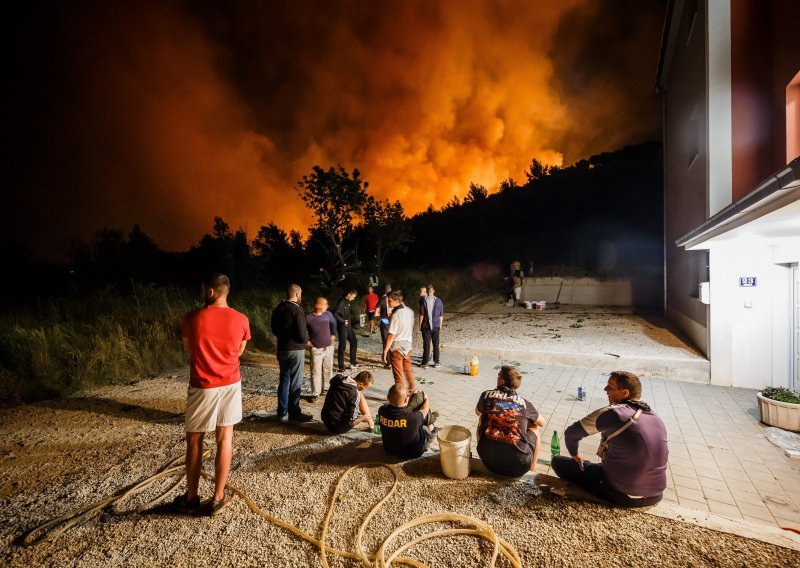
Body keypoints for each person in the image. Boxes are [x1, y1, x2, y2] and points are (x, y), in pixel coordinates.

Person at [175, 274, 250, 515]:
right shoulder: (241, 319)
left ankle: (192, 496)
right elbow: (239, 351)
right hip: (231, 384)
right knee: (225, 437)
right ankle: (218, 497)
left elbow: (190, 349)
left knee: (195, 440)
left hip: (203, 385)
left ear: (210, 292)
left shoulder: (192, 317)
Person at [551, 371, 668, 508]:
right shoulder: (656, 418)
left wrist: (575, 455)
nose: (605, 389)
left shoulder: (613, 413)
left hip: (624, 495)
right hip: (656, 495)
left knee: (558, 462)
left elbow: (571, 434)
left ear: (625, 393)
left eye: (610, 386)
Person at [475, 365, 544, 477]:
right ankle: (531, 469)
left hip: (488, 463)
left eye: (498, 375)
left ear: (502, 381)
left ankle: (486, 450)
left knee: (482, 418)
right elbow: (542, 422)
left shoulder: (485, 395)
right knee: (535, 427)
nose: (496, 377)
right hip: (519, 467)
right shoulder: (525, 404)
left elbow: (478, 412)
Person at [270, 284, 313, 422]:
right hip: (295, 350)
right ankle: (294, 412)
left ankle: (282, 413)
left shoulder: (279, 308)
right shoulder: (296, 310)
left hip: (282, 348)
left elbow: (274, 329)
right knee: (296, 382)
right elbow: (301, 333)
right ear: (297, 294)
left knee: (284, 380)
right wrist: (307, 341)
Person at [378, 384, 435, 459]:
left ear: (388, 398)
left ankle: (431, 421)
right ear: (406, 399)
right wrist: (427, 398)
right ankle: (432, 428)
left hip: (390, 450)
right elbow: (425, 409)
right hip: (413, 453)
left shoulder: (382, 410)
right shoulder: (413, 417)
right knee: (427, 426)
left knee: (417, 399)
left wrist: (410, 397)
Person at [382, 290, 417, 391]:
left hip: (397, 346)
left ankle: (400, 396)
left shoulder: (396, 314)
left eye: (390, 301)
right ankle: (413, 390)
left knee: (398, 373)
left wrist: (385, 351)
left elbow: (391, 335)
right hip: (408, 345)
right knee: (407, 369)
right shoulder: (410, 311)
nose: (388, 303)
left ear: (397, 301)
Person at [305, 297, 337, 402]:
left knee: (328, 369)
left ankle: (327, 389)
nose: (327, 306)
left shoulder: (328, 315)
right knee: (316, 372)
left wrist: (333, 334)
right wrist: (306, 341)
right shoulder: (309, 318)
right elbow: (301, 330)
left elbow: (333, 324)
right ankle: (315, 393)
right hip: (316, 349)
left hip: (328, 348)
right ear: (317, 305)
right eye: (325, 304)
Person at [418, 284, 444, 368]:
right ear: (433, 291)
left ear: (427, 291)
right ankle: (436, 362)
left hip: (426, 326)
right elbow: (441, 315)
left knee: (427, 344)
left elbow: (421, 314)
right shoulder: (439, 301)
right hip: (436, 325)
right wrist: (440, 325)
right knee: (436, 344)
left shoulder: (424, 300)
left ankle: (425, 363)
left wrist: (420, 325)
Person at [333, 290, 358, 371]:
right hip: (342, 326)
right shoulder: (341, 302)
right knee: (342, 345)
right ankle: (341, 366)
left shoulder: (348, 302)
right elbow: (335, 314)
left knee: (354, 341)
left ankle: (353, 362)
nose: (353, 299)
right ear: (349, 294)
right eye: (353, 297)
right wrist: (343, 321)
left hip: (348, 327)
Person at [375, 284, 392, 367]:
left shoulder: (381, 299)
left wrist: (382, 315)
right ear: (390, 290)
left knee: (386, 341)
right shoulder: (393, 298)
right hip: (393, 321)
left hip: (385, 321)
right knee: (392, 341)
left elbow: (376, 313)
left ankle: (388, 362)